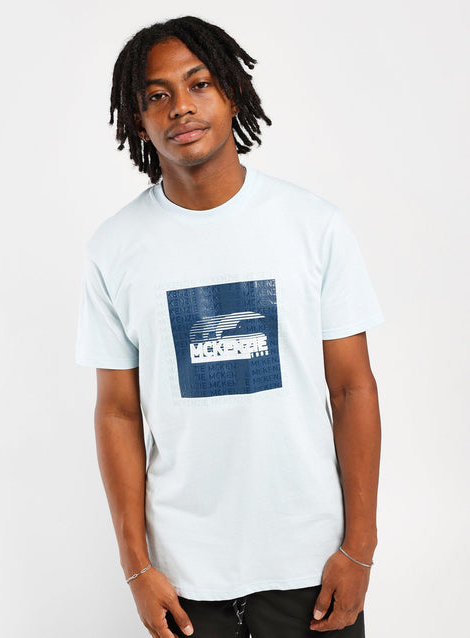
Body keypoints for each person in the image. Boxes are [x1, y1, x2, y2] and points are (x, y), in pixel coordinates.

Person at [75, 15, 385, 638]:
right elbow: (117, 412)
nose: (180, 107)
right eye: (157, 95)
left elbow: (353, 388)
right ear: (138, 120)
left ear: (233, 93)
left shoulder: (313, 227)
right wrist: (136, 567)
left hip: (312, 567)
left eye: (199, 84)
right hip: (183, 579)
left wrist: (360, 549)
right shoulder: (114, 249)